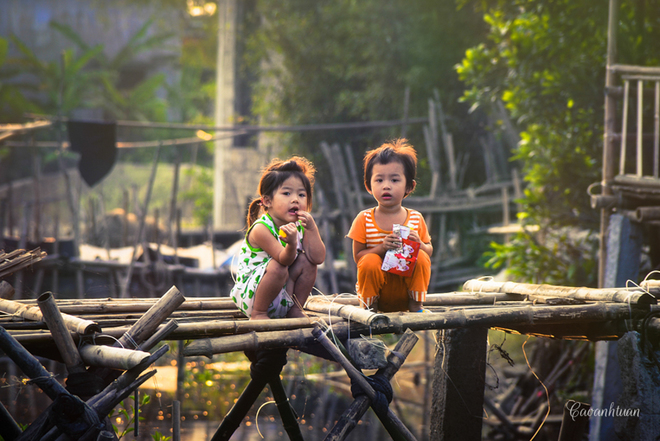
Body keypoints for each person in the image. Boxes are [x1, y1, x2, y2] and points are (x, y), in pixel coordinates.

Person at [230, 157, 326, 320]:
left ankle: (295, 310)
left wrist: (312, 228)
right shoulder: (261, 228)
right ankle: (258, 314)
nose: (295, 199)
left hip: (282, 294)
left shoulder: (300, 226)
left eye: (301, 194)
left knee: (307, 262)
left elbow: (318, 258)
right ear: (267, 201)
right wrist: (291, 243)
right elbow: (284, 259)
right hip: (253, 296)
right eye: (286, 193)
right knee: (277, 266)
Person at [347, 139, 433, 312]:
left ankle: (417, 306)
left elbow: (429, 251)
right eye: (379, 180)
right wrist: (381, 248)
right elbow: (358, 258)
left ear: (409, 186)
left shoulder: (416, 218)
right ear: (368, 186)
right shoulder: (363, 219)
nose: (386, 186)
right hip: (377, 294)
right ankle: (371, 309)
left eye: (394, 180)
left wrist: (420, 245)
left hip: (405, 294)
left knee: (422, 256)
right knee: (369, 260)